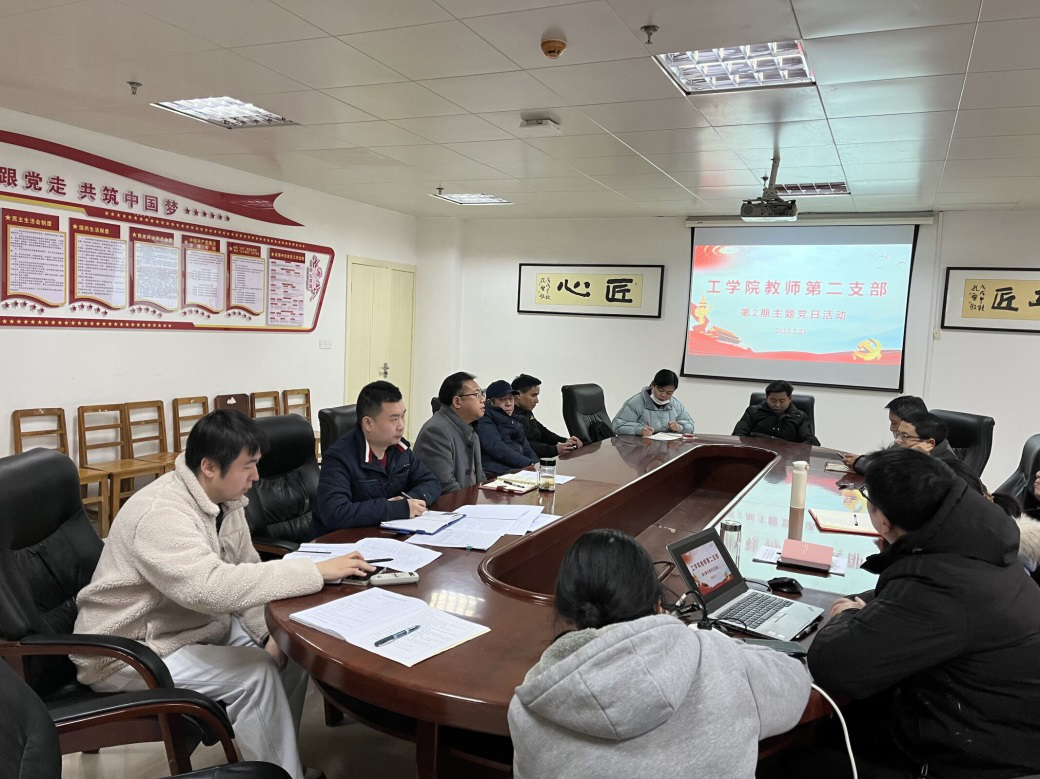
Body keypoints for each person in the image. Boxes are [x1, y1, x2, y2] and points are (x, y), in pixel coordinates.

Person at [73, 411, 375, 779]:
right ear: (209, 467)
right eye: (248, 466)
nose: (256, 476)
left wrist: (267, 634)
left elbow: (245, 569)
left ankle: (275, 762)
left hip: (189, 627)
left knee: (292, 644)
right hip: (128, 649)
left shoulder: (227, 502)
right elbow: (209, 589)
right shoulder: (160, 515)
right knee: (255, 674)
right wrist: (312, 572)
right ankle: (282, 773)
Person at [804, 448, 1040, 779]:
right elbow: (915, 600)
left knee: (796, 761)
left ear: (882, 521)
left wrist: (847, 614)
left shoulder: (943, 585)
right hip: (988, 729)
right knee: (842, 726)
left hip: (974, 762)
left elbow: (834, 665)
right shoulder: (979, 544)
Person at [508, 528, 810, 779]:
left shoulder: (532, 704)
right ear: (657, 603)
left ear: (568, 614)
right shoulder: (719, 657)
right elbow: (796, 684)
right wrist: (717, 642)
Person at [314, 380, 440, 533]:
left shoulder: (400, 449)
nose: (401, 426)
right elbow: (335, 513)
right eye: (394, 419)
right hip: (342, 540)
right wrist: (395, 508)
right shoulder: (339, 458)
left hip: (385, 533)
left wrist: (408, 500)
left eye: (403, 416)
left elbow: (431, 482)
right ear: (368, 423)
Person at [413, 371, 486, 495]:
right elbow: (445, 486)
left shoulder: (470, 430)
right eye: (476, 394)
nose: (483, 399)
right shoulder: (436, 432)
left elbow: (479, 478)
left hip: (468, 502)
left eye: (482, 393)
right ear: (457, 402)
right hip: (448, 504)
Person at [842, 395, 927, 473]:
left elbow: (893, 471)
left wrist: (859, 463)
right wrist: (863, 460)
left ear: (911, 422)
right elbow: (887, 461)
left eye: (894, 423)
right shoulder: (902, 443)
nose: (891, 428)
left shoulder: (926, 448)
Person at [476, 380, 539, 477]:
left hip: (518, 467)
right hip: (496, 471)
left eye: (511, 399)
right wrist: (528, 464)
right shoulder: (484, 419)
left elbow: (526, 447)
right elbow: (496, 447)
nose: (508, 403)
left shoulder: (516, 419)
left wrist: (536, 464)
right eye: (502, 399)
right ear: (490, 402)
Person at [511, 373, 583, 458]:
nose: (537, 401)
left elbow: (543, 432)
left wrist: (566, 441)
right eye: (533, 395)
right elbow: (522, 444)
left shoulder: (526, 411)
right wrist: (554, 450)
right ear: (518, 394)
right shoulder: (509, 416)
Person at [732, 380, 820, 445]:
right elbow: (738, 434)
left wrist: (794, 450)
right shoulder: (753, 411)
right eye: (773, 401)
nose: (777, 405)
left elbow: (811, 441)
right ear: (767, 398)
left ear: (790, 399)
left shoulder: (800, 417)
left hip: (787, 457)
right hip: (756, 453)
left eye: (782, 401)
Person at [611, 369, 695, 437]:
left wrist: (679, 427)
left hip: (667, 448)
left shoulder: (675, 405)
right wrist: (639, 430)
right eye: (660, 390)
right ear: (652, 385)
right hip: (641, 448)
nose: (663, 395)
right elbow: (617, 426)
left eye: (669, 393)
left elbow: (690, 426)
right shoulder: (636, 403)